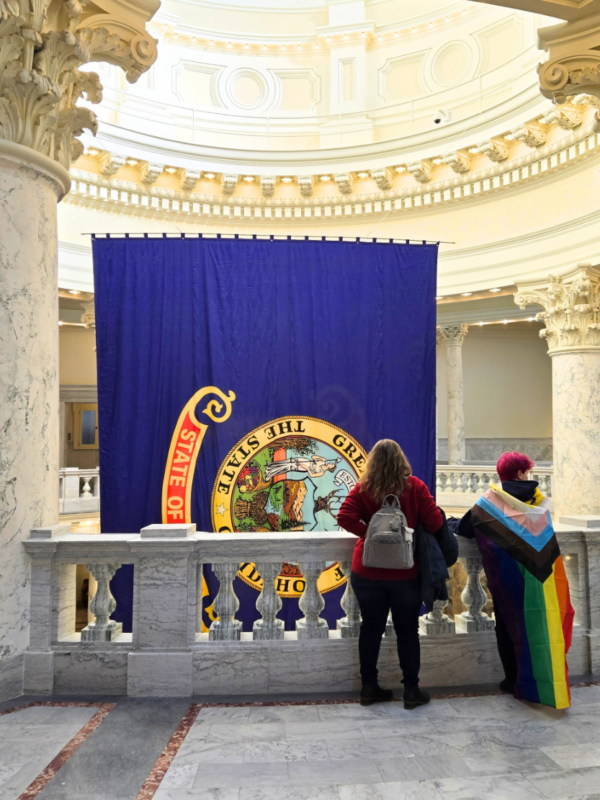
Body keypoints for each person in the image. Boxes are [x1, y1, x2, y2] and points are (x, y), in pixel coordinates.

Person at [338, 439, 455, 709]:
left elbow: (344, 516)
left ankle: (369, 688)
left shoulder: (364, 488)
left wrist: (371, 533)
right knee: (408, 631)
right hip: (406, 573)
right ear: (400, 460)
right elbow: (436, 523)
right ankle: (411, 691)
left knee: (370, 628)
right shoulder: (414, 487)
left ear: (373, 462)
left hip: (366, 571)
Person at [457, 452, 574, 709]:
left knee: (508, 628)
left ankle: (512, 681)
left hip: (506, 582)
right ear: (521, 474)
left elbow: (465, 528)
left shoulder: (489, 502)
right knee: (540, 628)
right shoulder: (540, 502)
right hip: (539, 581)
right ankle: (541, 680)